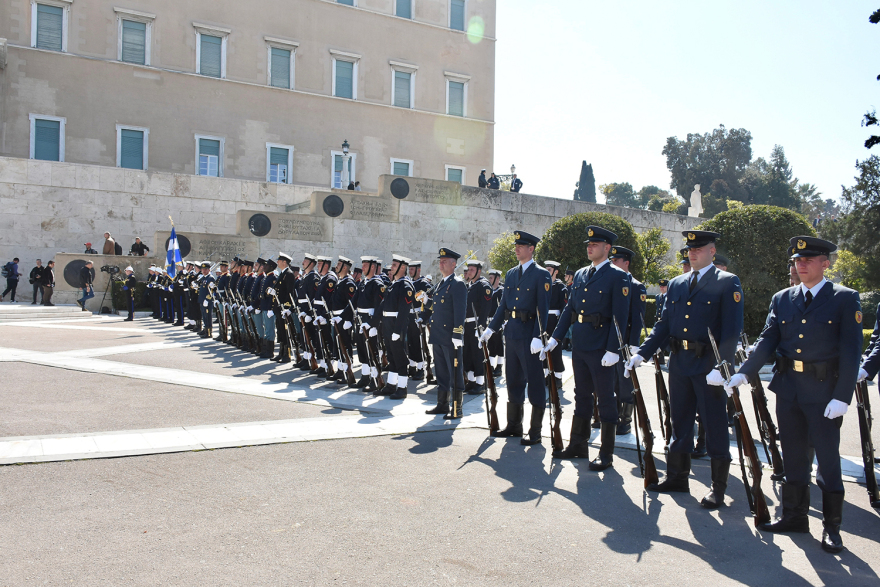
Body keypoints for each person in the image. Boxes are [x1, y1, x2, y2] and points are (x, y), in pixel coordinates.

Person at [730, 236, 861, 554]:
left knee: (828, 460)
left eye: (808, 259)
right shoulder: (783, 298)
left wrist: (842, 396)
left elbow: (851, 351)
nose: (801, 265)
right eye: (797, 260)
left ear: (825, 263)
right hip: (788, 389)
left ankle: (832, 527)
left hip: (824, 392)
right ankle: (794, 517)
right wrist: (745, 372)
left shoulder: (844, 298)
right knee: (792, 456)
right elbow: (768, 340)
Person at [626, 230, 744, 510]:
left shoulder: (727, 282)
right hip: (680, 362)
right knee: (679, 421)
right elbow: (664, 325)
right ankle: (677, 476)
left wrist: (723, 366)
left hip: (708, 364)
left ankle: (717, 487)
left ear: (712, 251)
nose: (692, 254)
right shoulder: (678, 283)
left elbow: (732, 330)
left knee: (714, 424)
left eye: (699, 249)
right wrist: (642, 353)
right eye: (690, 249)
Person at [542, 226, 629, 466]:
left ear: (607, 248)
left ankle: (606, 453)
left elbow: (620, 317)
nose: (589, 248)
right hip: (580, 344)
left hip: (602, 346)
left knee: (606, 398)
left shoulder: (617, 276)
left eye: (595, 244)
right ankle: (578, 445)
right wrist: (555, 338)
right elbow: (570, 309)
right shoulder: (581, 274)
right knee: (581, 395)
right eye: (588, 244)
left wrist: (613, 349)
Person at [479, 231, 551, 441]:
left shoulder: (541, 274)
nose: (517, 249)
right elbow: (503, 306)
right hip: (511, 333)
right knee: (513, 380)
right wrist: (491, 329)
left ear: (531, 249)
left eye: (521, 246)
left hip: (529, 334)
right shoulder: (511, 273)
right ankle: (514, 425)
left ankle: (535, 431)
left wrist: (538, 335)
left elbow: (543, 309)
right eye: (516, 246)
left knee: (534, 381)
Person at [423, 248, 467, 417]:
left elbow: (460, 311)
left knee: (454, 372)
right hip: (438, 335)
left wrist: (458, 334)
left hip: (450, 336)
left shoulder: (457, 284)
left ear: (453, 264)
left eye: (444, 261)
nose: (441, 264)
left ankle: (457, 408)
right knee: (441, 372)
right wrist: (426, 302)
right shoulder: (441, 283)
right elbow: (438, 307)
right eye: (440, 261)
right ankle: (442, 404)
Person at [608, 245, 646, 436]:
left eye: (616, 261)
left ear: (626, 263)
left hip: (626, 342)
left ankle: (625, 420)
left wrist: (634, 345)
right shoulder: (611, 283)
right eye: (611, 261)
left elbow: (638, 319)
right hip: (611, 340)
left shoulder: (636, 286)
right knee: (611, 381)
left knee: (625, 383)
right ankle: (612, 416)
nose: (613, 263)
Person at [376, 255, 414, 400]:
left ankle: (402, 388)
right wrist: (373, 323)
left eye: (394, 265)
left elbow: (404, 311)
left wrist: (398, 331)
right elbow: (383, 305)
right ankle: (391, 385)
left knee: (400, 357)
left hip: (396, 325)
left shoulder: (405, 285)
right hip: (388, 323)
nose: (391, 268)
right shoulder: (394, 284)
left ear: (402, 267)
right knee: (391, 355)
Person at [198, 261, 216, 337]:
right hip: (202, 300)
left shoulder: (210, 278)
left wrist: (207, 299)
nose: (204, 271)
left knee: (208, 316)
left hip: (207, 301)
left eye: (205, 269)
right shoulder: (204, 278)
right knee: (204, 316)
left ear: (209, 270)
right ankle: (205, 329)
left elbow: (211, 290)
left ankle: (209, 332)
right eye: (202, 269)